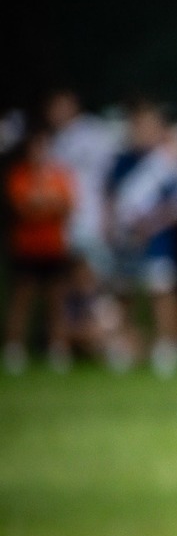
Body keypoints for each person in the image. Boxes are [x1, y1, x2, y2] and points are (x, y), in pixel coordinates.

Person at [107, 101, 177, 378]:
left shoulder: (165, 163)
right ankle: (124, 346)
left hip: (157, 241)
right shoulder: (123, 161)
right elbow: (111, 197)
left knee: (161, 292)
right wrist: (113, 226)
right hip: (126, 240)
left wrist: (153, 224)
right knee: (124, 294)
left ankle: (166, 348)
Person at [44, 89, 120, 363]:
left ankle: (103, 343)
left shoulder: (94, 134)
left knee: (93, 287)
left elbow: (108, 181)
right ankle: (61, 344)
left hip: (89, 223)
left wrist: (108, 218)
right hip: (59, 225)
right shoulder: (51, 141)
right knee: (63, 286)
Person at [4, 125, 78, 372]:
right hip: (27, 248)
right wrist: (48, 202)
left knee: (56, 299)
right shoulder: (19, 175)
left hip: (54, 247)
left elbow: (67, 206)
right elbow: (23, 208)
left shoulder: (60, 174)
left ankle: (58, 348)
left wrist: (41, 203)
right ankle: (14, 348)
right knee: (22, 299)